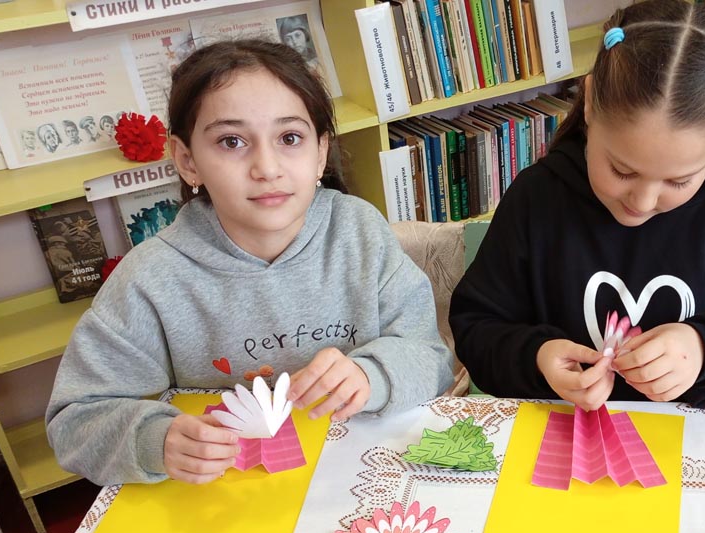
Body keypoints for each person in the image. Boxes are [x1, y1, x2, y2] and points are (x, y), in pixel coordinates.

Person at [47, 39, 453, 486]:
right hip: (228, 491)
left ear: (320, 152)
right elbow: (74, 422)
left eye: (290, 138)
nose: (267, 167)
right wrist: (153, 440)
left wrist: (371, 374)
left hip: (358, 476)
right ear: (187, 161)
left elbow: (431, 360)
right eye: (232, 141)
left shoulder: (360, 231)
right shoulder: (150, 278)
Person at [448, 0, 705, 412]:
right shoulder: (538, 198)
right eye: (622, 170)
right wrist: (537, 358)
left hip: (691, 441)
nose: (642, 202)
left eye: (679, 181)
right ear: (590, 102)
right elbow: (475, 329)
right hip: (564, 430)